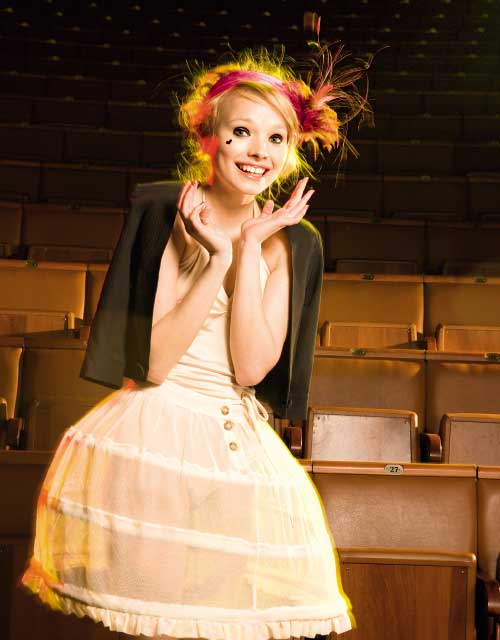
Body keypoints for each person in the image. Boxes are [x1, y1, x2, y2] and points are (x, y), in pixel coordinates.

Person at [21, 41, 372, 639]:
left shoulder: (293, 240)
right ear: (207, 137)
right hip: (155, 431)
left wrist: (250, 247)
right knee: (157, 613)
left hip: (234, 444)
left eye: (276, 138)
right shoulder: (166, 210)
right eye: (242, 132)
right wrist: (215, 260)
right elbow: (155, 365)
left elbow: (250, 370)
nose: (259, 152)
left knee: (222, 617)